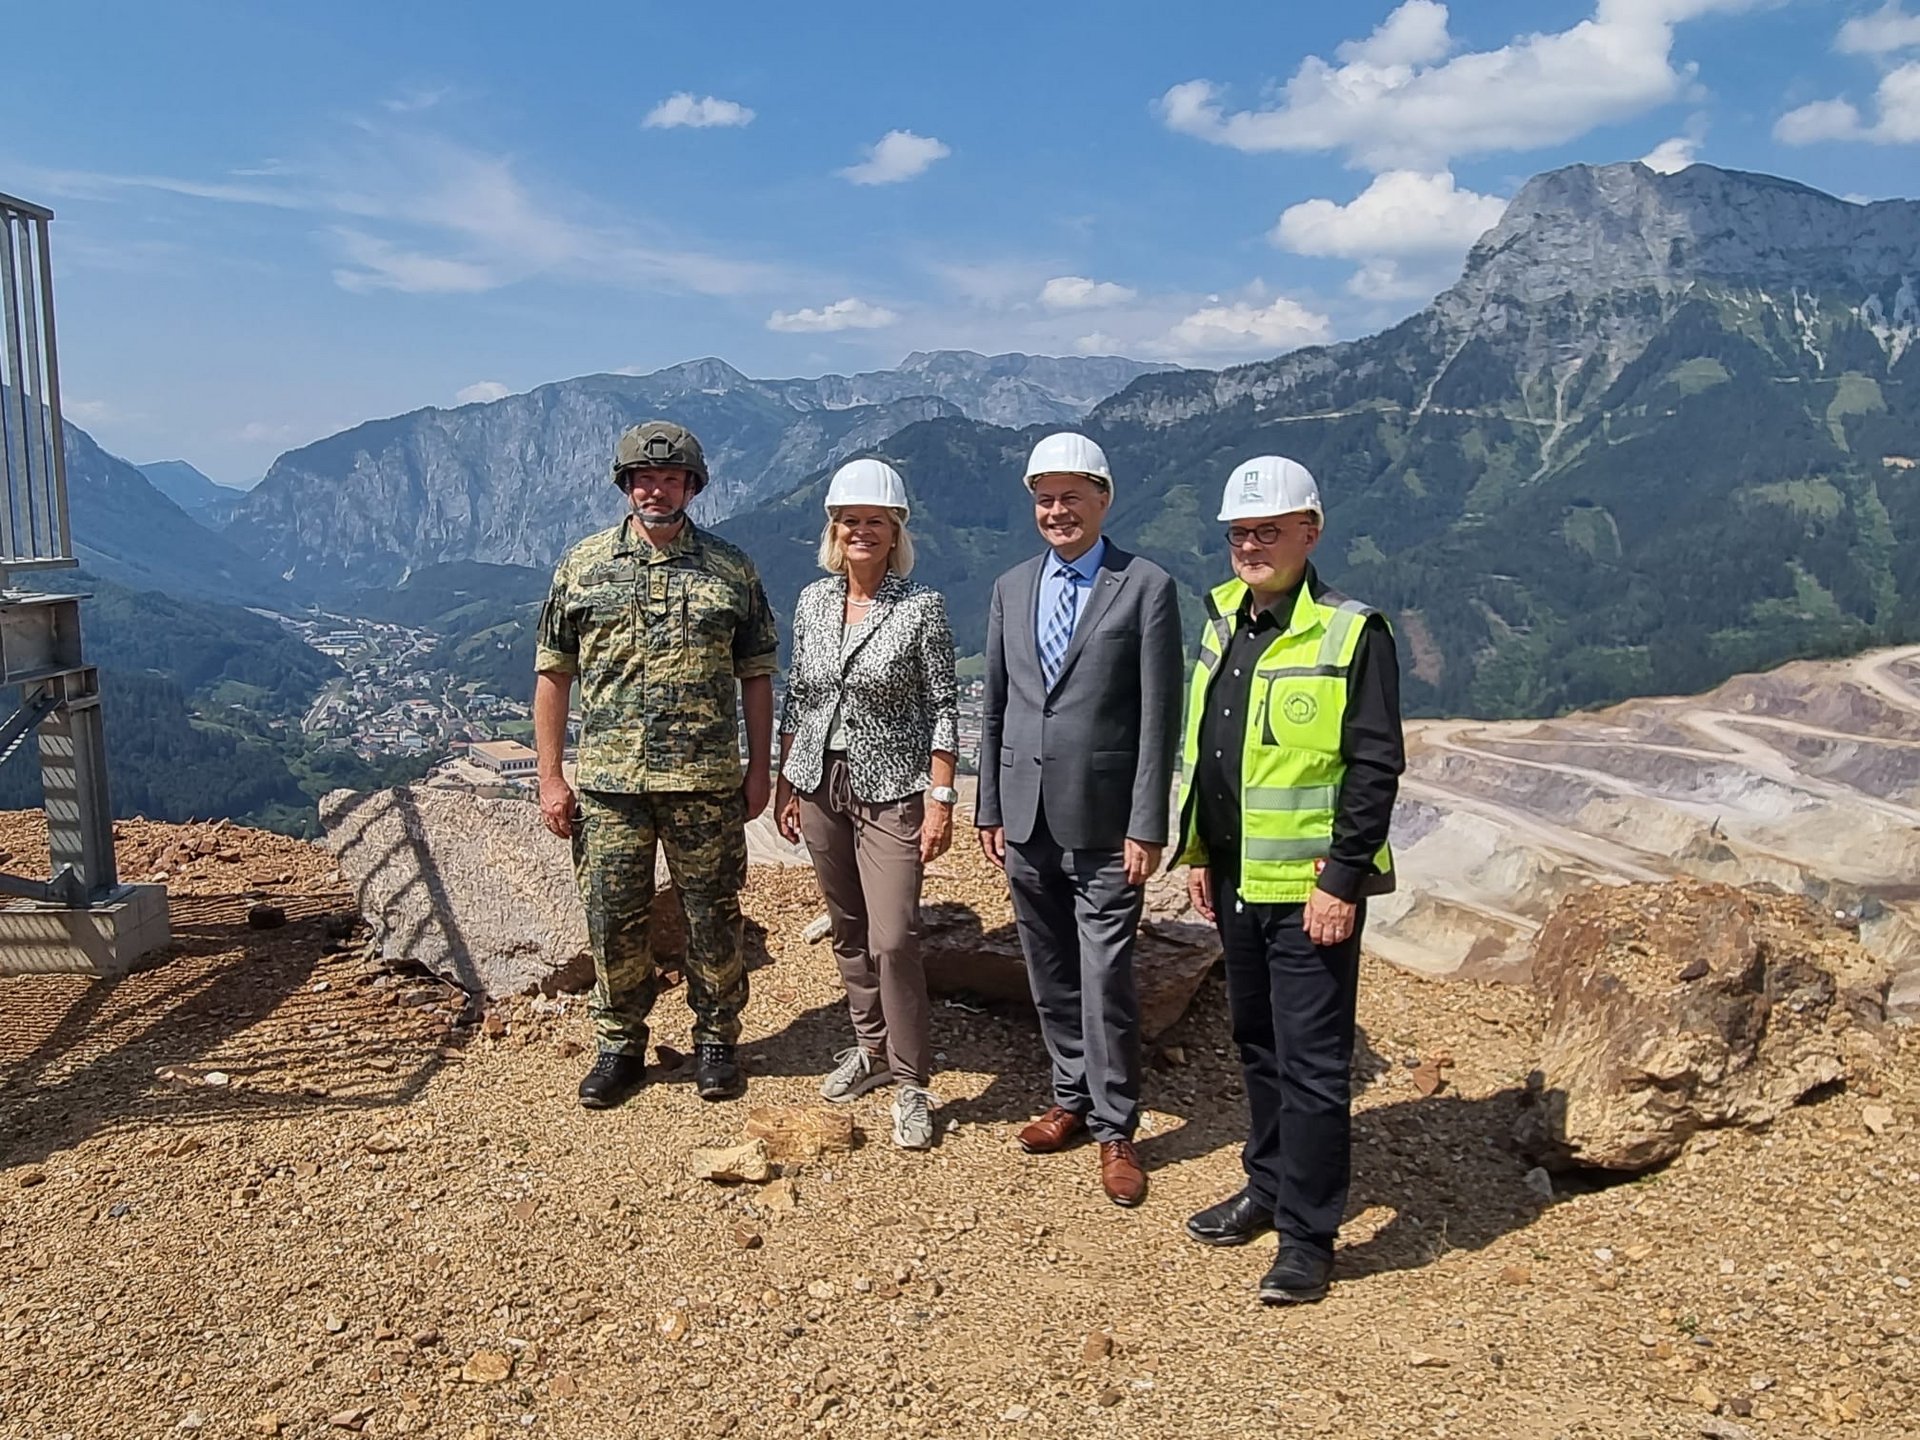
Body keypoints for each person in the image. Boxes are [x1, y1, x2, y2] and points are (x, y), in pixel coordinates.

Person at [1173, 455, 1404, 1305]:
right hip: (1236, 874)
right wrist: (1200, 853)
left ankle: (1309, 1236)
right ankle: (1265, 1188)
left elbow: (1375, 765)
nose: (1251, 546)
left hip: (1311, 890)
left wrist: (1342, 880)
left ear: (1310, 531)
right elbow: (1210, 750)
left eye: (1268, 531)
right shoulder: (1222, 616)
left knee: (1312, 1065)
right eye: (1240, 533)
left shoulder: (1351, 631)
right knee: (1259, 1046)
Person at [534, 420, 778, 1108]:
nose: (657, 489)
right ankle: (619, 1046)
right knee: (613, 917)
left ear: (692, 487)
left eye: (672, 479)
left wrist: (759, 767)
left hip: (704, 781)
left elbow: (756, 673)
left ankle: (717, 1042)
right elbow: (554, 671)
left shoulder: (731, 568)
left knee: (712, 914)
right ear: (625, 486)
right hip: (611, 785)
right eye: (644, 478)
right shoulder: (582, 565)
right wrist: (553, 776)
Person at [975, 432, 1183, 1207]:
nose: (1056, 511)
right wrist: (989, 805)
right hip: (1024, 814)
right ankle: (1068, 1097)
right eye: (1044, 499)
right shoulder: (1010, 588)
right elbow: (995, 704)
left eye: (1071, 497)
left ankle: (1117, 1127)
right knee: (1050, 967)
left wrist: (1146, 823)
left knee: (1105, 975)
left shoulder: (1146, 586)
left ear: (1104, 499)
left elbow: (1161, 715)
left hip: (1105, 821)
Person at [773, 458, 959, 1150]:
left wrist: (939, 800)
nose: (860, 531)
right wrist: (786, 779)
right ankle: (870, 1048)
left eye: (873, 522)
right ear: (834, 529)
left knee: (894, 937)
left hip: (891, 789)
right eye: (849, 521)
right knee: (847, 926)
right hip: (820, 778)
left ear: (895, 531)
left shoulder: (921, 608)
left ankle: (912, 1079)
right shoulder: (812, 603)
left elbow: (944, 706)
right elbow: (801, 695)